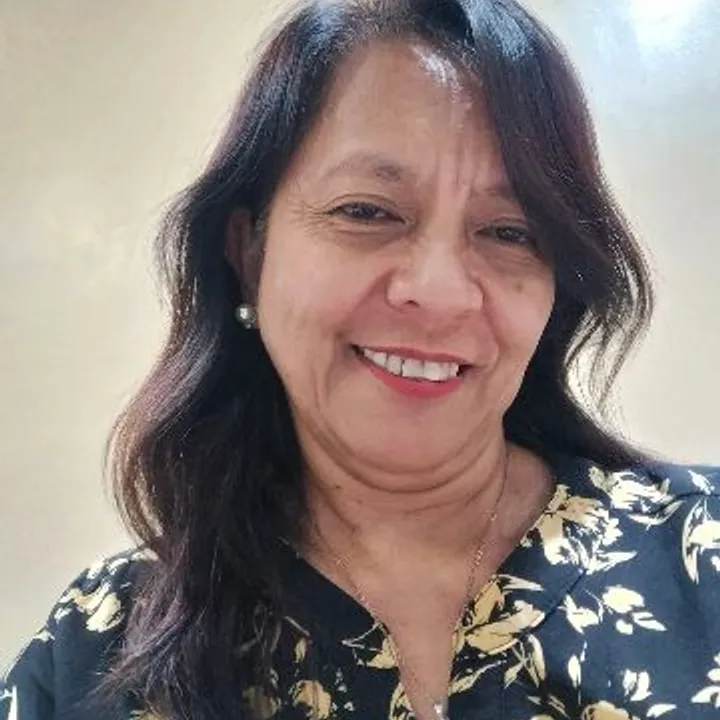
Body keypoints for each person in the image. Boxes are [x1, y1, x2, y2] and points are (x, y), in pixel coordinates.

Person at [2, 0, 719, 718]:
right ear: (250, 254)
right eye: (367, 211)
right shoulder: (96, 652)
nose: (439, 293)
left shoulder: (701, 553)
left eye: (509, 232)